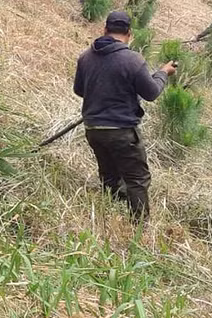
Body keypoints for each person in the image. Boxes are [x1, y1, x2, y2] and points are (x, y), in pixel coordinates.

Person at [73, 11, 177, 221]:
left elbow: (79, 90)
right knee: (136, 179)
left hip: (93, 130)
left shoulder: (85, 57)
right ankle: (139, 228)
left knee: (109, 176)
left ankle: (110, 219)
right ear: (129, 33)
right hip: (122, 132)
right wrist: (163, 73)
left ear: (104, 30)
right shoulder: (132, 60)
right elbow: (151, 93)